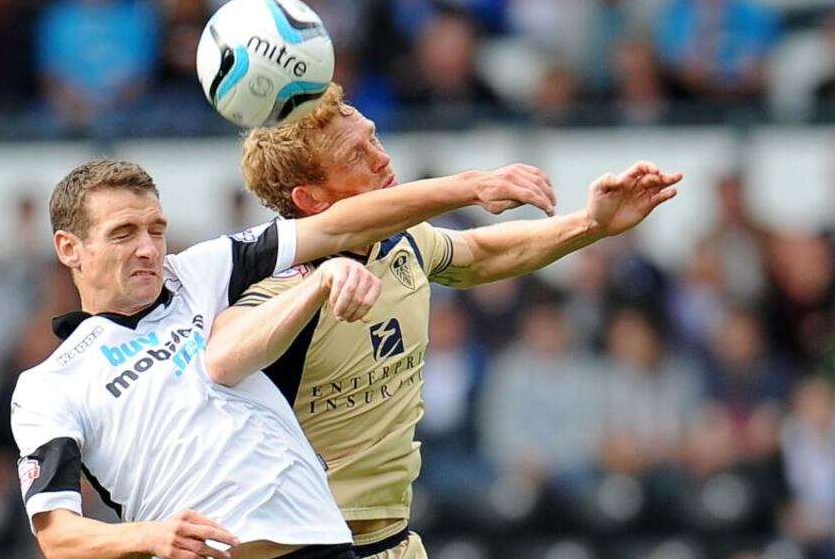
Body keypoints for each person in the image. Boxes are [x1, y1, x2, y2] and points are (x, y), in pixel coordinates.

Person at [212, 84, 682, 558]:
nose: (381, 158)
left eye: (373, 138)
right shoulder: (278, 281)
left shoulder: (404, 242)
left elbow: (479, 253)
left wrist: (591, 224)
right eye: (356, 154)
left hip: (390, 539)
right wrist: (316, 288)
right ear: (309, 198)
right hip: (298, 545)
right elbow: (222, 359)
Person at [10, 158, 554, 559]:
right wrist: (149, 535)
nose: (149, 248)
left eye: (156, 229)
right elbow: (59, 536)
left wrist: (471, 186)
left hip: (321, 542)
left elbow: (342, 224)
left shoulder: (200, 273)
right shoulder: (50, 384)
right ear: (69, 249)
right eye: (123, 234)